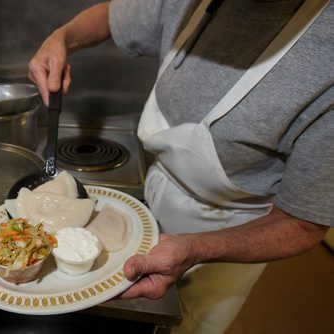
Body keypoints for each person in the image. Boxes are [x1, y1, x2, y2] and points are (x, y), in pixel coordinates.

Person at [28, 0, 333, 333]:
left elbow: (303, 224)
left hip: (229, 234)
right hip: (156, 191)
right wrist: (63, 37)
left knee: (188, 324)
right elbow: (113, 15)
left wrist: (195, 248)